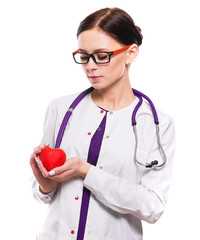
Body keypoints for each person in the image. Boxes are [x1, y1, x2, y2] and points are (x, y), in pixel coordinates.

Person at [30, 7, 176, 240]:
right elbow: (43, 194)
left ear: (131, 53)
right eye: (84, 56)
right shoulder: (60, 109)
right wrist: (45, 185)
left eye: (101, 55)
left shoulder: (157, 124)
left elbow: (153, 206)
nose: (90, 66)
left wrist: (85, 171)